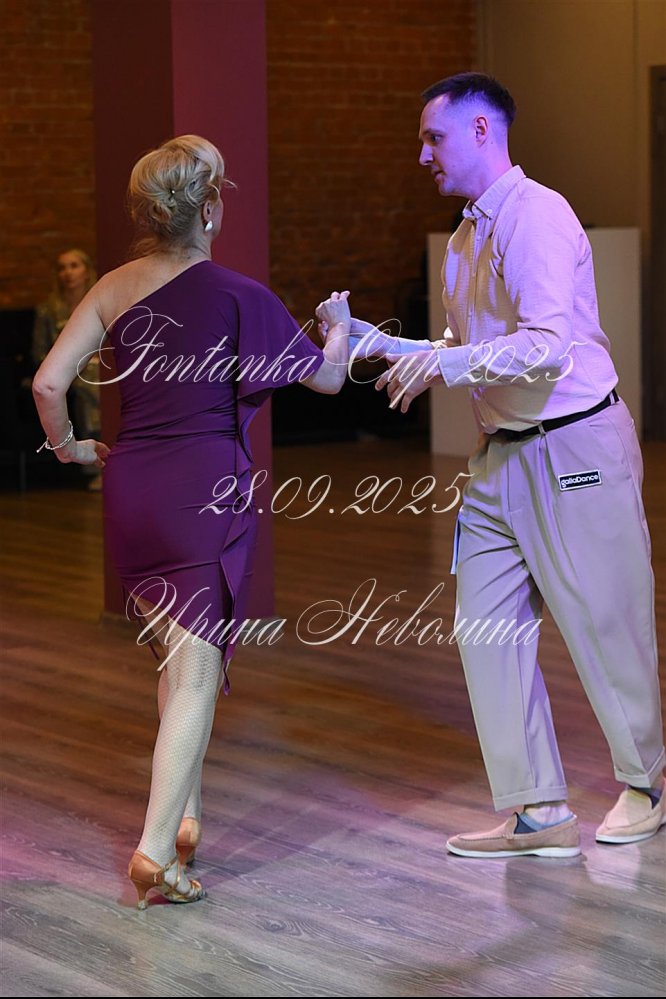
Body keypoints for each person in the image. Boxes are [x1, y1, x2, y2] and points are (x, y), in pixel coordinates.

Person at [32, 134, 351, 907]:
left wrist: (70, 446)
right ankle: (152, 855)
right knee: (197, 673)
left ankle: (184, 821)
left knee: (174, 664)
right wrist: (338, 322)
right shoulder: (240, 294)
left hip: (133, 490)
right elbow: (330, 379)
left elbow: (47, 382)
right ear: (208, 211)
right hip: (201, 491)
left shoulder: (111, 287)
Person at [351, 73, 665, 858]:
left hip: (573, 447)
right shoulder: (463, 240)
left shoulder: (538, 215)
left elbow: (545, 347)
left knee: (604, 618)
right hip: (498, 458)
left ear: (483, 131)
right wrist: (382, 343)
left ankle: (651, 783)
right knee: (485, 628)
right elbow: (469, 351)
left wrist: (445, 366)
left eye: (433, 138)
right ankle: (537, 809)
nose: (422, 155)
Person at [32, 248, 103, 490]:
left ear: (87, 271)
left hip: (100, 367)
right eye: (62, 268)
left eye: (74, 266)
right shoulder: (48, 310)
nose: (68, 273)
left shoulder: (98, 300)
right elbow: (39, 352)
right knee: (87, 386)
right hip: (67, 371)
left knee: (98, 380)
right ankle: (96, 464)